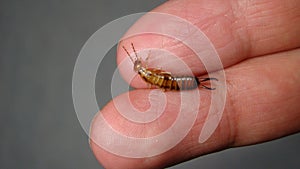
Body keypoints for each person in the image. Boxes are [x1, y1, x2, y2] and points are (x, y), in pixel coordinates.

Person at [90, 0, 300, 168]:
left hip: (176, 82)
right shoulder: (149, 74)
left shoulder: (146, 75)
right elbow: (159, 76)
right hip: (176, 82)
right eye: (138, 62)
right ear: (143, 68)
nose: (139, 63)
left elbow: (158, 77)